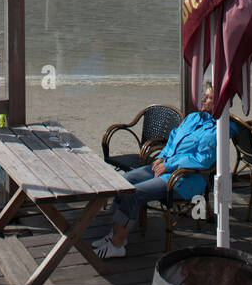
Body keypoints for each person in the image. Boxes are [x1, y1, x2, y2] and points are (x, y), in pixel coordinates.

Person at [92, 85, 222, 258]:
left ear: (220, 102)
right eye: (204, 96)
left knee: (133, 194)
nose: (204, 100)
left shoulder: (217, 129)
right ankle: (117, 235)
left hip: (184, 178)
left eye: (209, 98)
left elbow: (202, 160)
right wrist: (162, 157)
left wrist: (169, 165)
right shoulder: (192, 118)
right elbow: (173, 138)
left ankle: (117, 244)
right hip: (166, 166)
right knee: (123, 182)